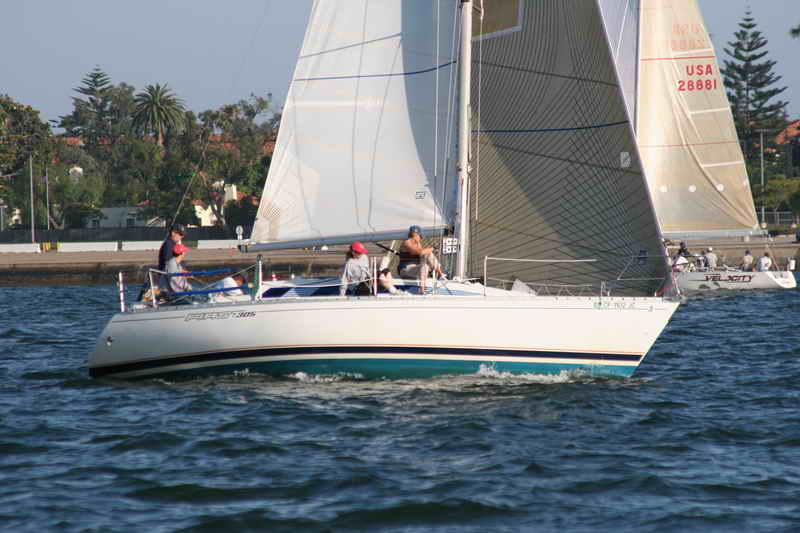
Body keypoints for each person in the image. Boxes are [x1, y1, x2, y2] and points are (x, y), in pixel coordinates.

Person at [397, 225, 446, 291]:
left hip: (416, 268)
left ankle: (440, 275)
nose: (421, 238)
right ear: (416, 235)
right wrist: (432, 248)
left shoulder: (418, 244)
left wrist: (430, 256)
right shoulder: (407, 243)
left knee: (428, 255)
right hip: (405, 270)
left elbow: (423, 254)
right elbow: (419, 252)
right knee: (425, 265)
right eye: (420, 236)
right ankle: (422, 290)